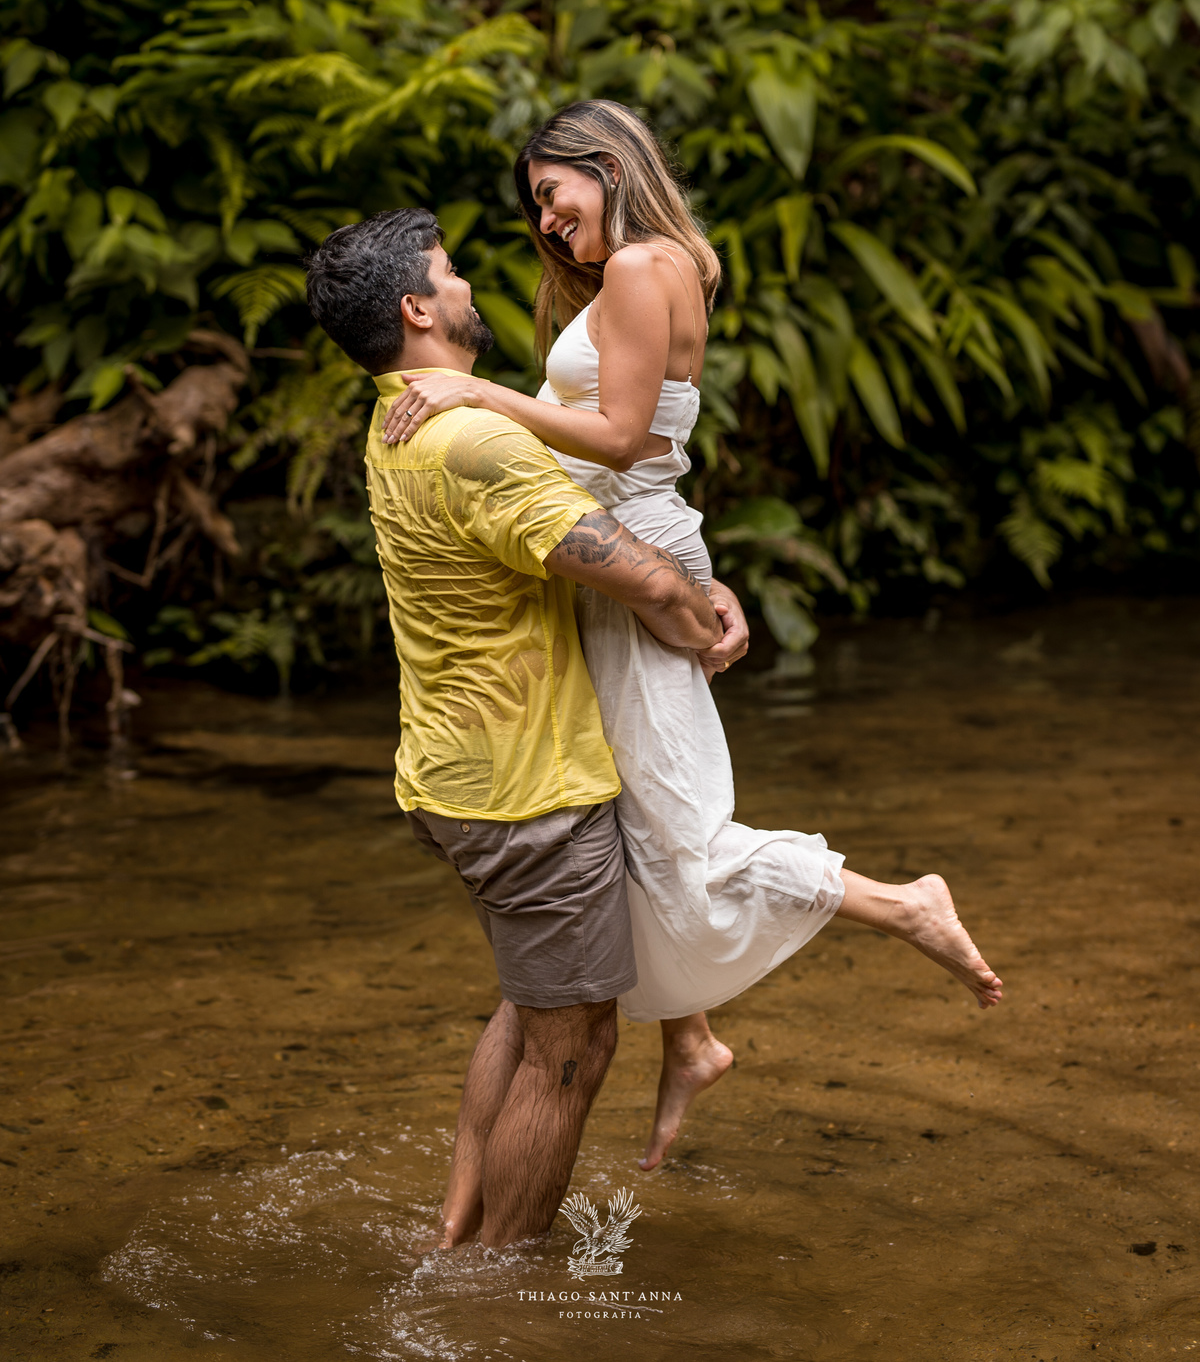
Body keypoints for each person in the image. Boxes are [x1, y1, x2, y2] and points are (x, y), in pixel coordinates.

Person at [383, 100, 1004, 1172]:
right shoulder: (672, 262)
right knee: (634, 821)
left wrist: (469, 389)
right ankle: (693, 1035)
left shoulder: (637, 271)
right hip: (635, 546)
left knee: (679, 835)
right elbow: (646, 441)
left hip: (626, 554)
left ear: (605, 165)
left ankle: (904, 904)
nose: (543, 219)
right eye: (535, 204)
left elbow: (623, 437)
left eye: (551, 192)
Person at [304, 205, 746, 1249]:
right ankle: (496, 1292)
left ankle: (455, 1234)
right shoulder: (470, 440)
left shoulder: (399, 417)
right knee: (574, 1045)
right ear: (418, 308)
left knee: (527, 1008)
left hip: (454, 777)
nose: (467, 287)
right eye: (450, 274)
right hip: (529, 795)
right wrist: (707, 620)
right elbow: (629, 569)